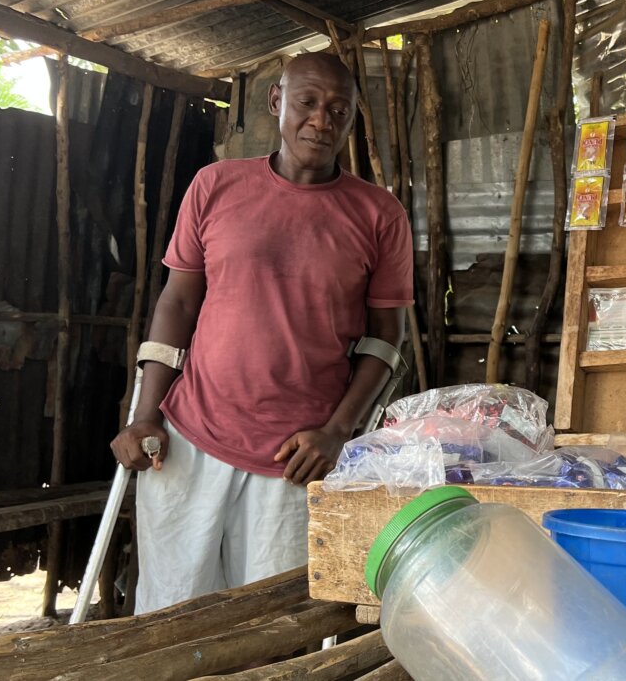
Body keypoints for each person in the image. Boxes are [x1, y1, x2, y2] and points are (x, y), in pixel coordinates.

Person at [110, 52, 413, 613]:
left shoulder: (380, 215)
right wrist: (146, 413)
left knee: (267, 625)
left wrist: (337, 431)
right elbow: (178, 302)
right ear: (277, 102)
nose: (322, 120)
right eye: (308, 102)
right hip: (188, 440)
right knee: (171, 612)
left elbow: (384, 341)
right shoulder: (215, 186)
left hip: (294, 458)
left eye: (338, 110)